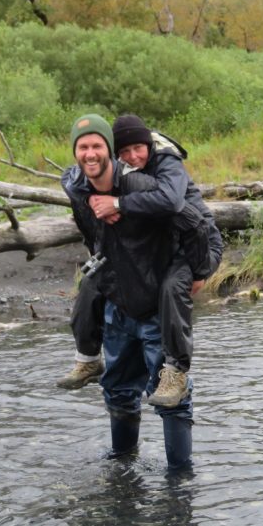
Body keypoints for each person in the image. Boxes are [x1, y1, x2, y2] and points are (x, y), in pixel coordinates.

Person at [60, 113, 197, 470]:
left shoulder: (145, 185)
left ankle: (179, 485)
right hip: (117, 305)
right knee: (118, 390)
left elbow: (193, 221)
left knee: (172, 398)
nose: (90, 154)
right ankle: (121, 465)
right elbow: (90, 232)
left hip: (155, 305)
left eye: (96, 146)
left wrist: (199, 270)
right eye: (82, 147)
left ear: (110, 152)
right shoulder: (77, 186)